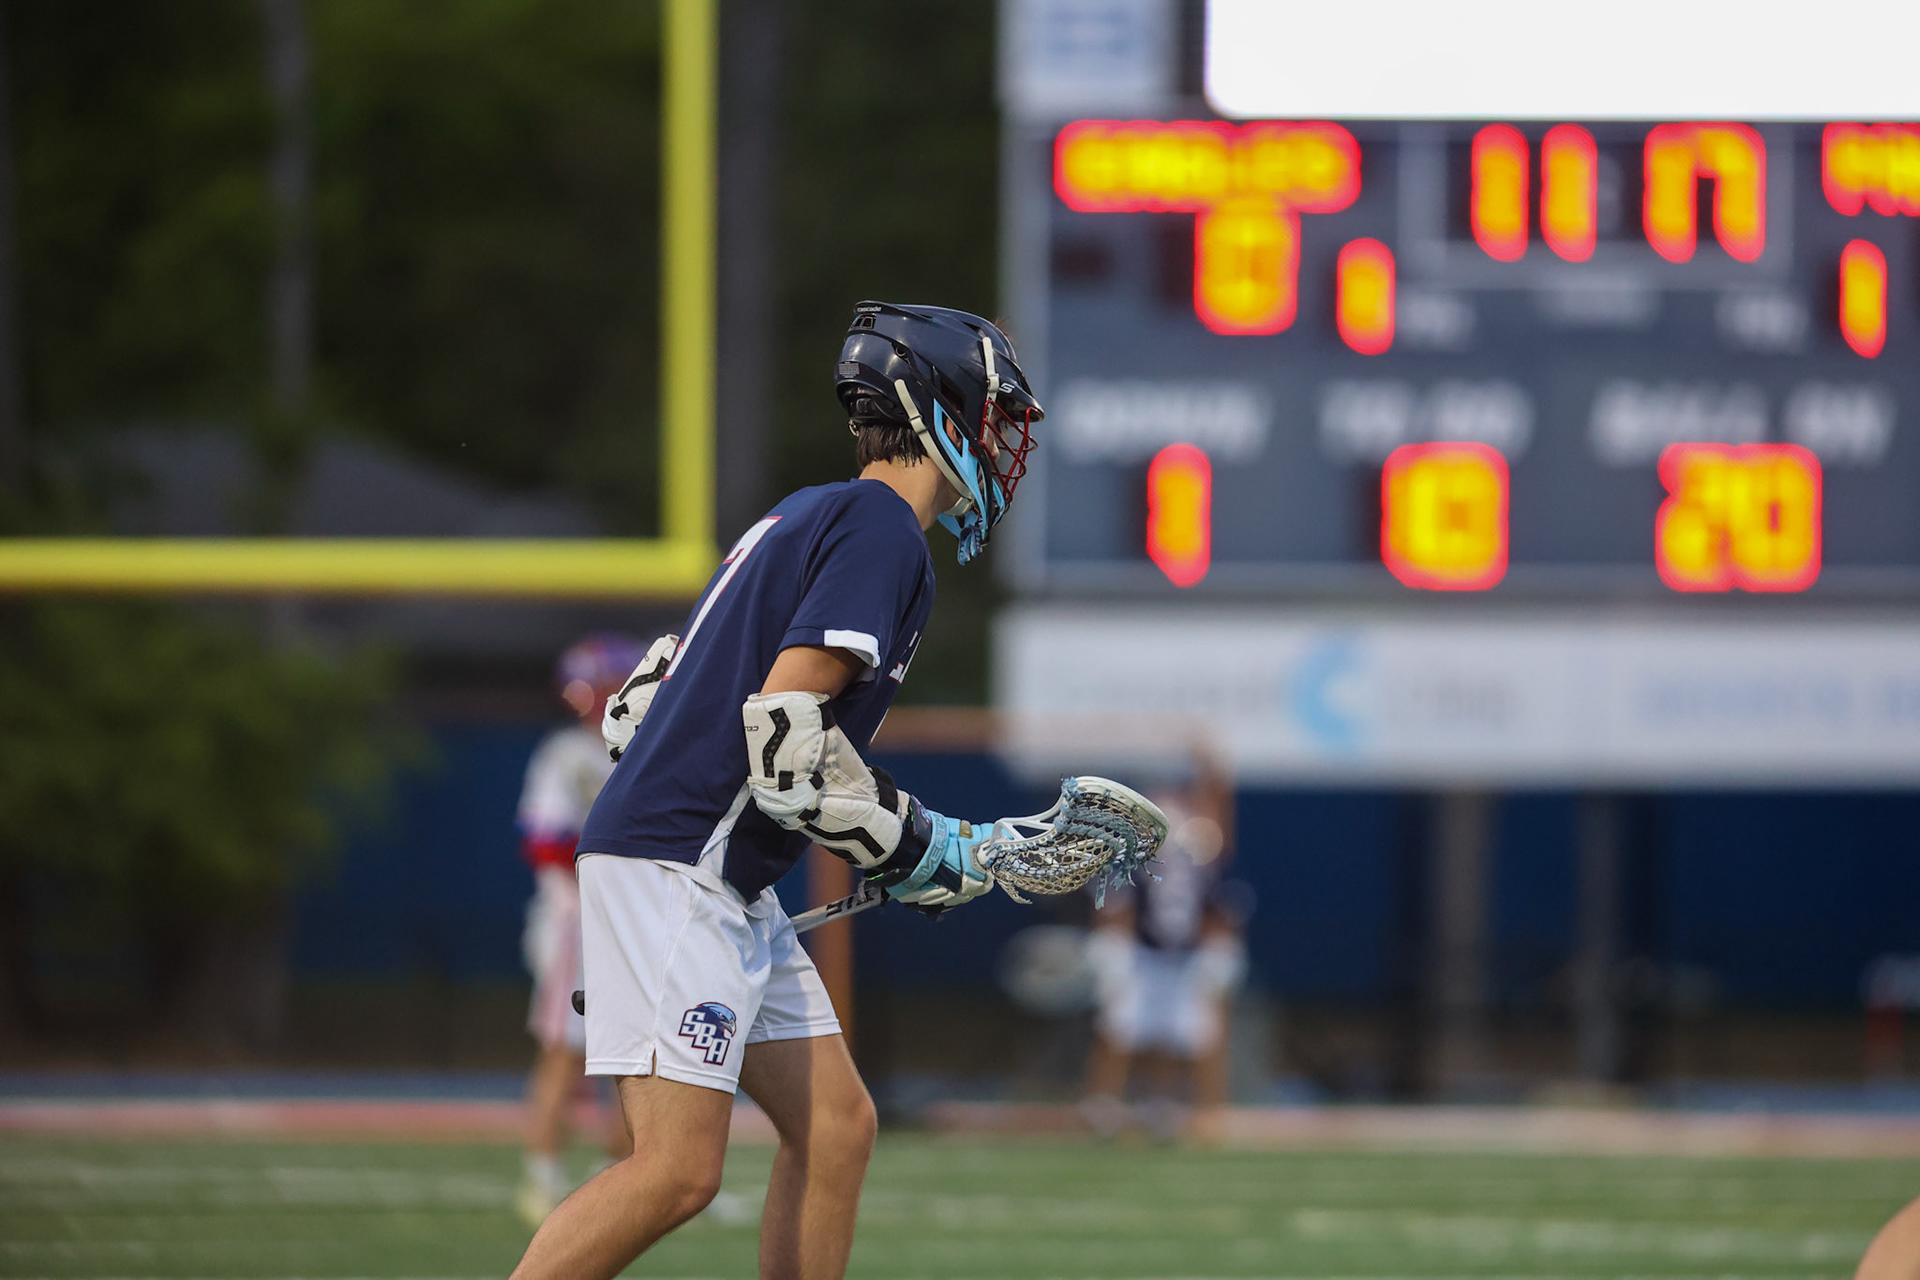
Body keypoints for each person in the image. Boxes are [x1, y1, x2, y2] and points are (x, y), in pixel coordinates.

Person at [509, 301, 1043, 1280]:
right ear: (939, 409)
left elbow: (649, 703)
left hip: (709, 864)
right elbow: (783, 732)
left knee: (836, 1125)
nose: (1004, 441)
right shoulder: (883, 529)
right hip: (685, 859)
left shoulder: (810, 510)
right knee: (677, 1167)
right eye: (993, 414)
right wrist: (924, 845)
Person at [513, 634, 643, 1228]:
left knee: (639, 1055)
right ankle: (541, 1176)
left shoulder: (646, 746)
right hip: (578, 918)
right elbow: (543, 840)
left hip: (632, 914)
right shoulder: (566, 753)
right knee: (566, 1051)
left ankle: (628, 1175)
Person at [1082, 778, 1249, 1144]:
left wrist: (1220, 950)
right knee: (1120, 1027)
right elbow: (1116, 903)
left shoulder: (1204, 853)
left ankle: (1181, 1109)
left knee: (1188, 1034)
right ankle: (1102, 1105)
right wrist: (1111, 946)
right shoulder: (1134, 854)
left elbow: (1218, 908)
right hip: (1144, 954)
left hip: (1186, 958)